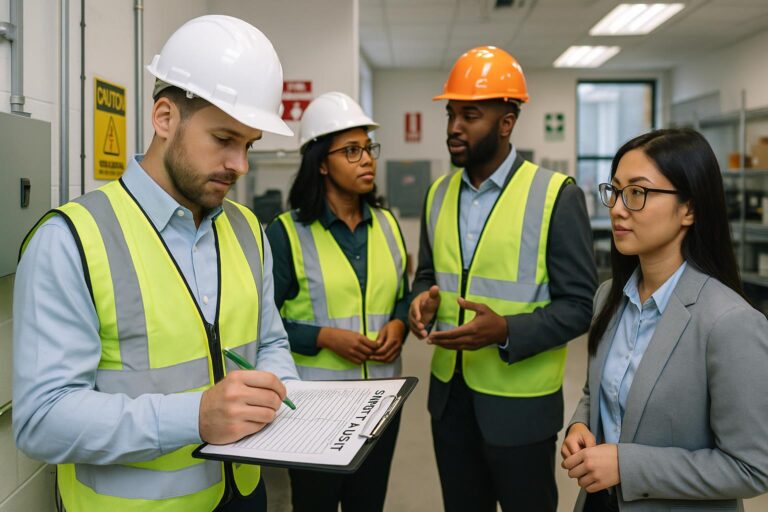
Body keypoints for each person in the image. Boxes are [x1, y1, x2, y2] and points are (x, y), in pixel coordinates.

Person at [13, 15, 299, 512]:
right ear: (165, 118)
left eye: (248, 145)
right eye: (224, 139)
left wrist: (287, 397)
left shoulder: (248, 230)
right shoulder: (71, 240)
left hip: (243, 496)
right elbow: (42, 418)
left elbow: (269, 341)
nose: (241, 165)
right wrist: (196, 417)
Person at [407, 46, 598, 512]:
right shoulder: (437, 193)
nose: (453, 127)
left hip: (520, 407)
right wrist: (420, 301)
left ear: (506, 122)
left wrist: (507, 330)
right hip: (450, 402)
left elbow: (580, 305)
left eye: (469, 115)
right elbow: (429, 274)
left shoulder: (556, 195)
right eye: (451, 114)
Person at [561, 128, 768, 511]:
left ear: (689, 209)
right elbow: (597, 392)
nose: (618, 208)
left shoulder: (729, 322)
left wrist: (627, 465)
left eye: (638, 193)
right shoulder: (608, 297)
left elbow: (752, 467)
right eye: (616, 190)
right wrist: (580, 426)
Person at [266, 91, 409, 512]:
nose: (367, 159)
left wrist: (400, 324)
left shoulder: (386, 224)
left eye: (369, 148)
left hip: (381, 401)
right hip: (314, 410)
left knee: (369, 503)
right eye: (352, 151)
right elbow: (262, 323)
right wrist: (324, 337)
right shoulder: (285, 233)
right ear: (322, 163)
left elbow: (401, 294)